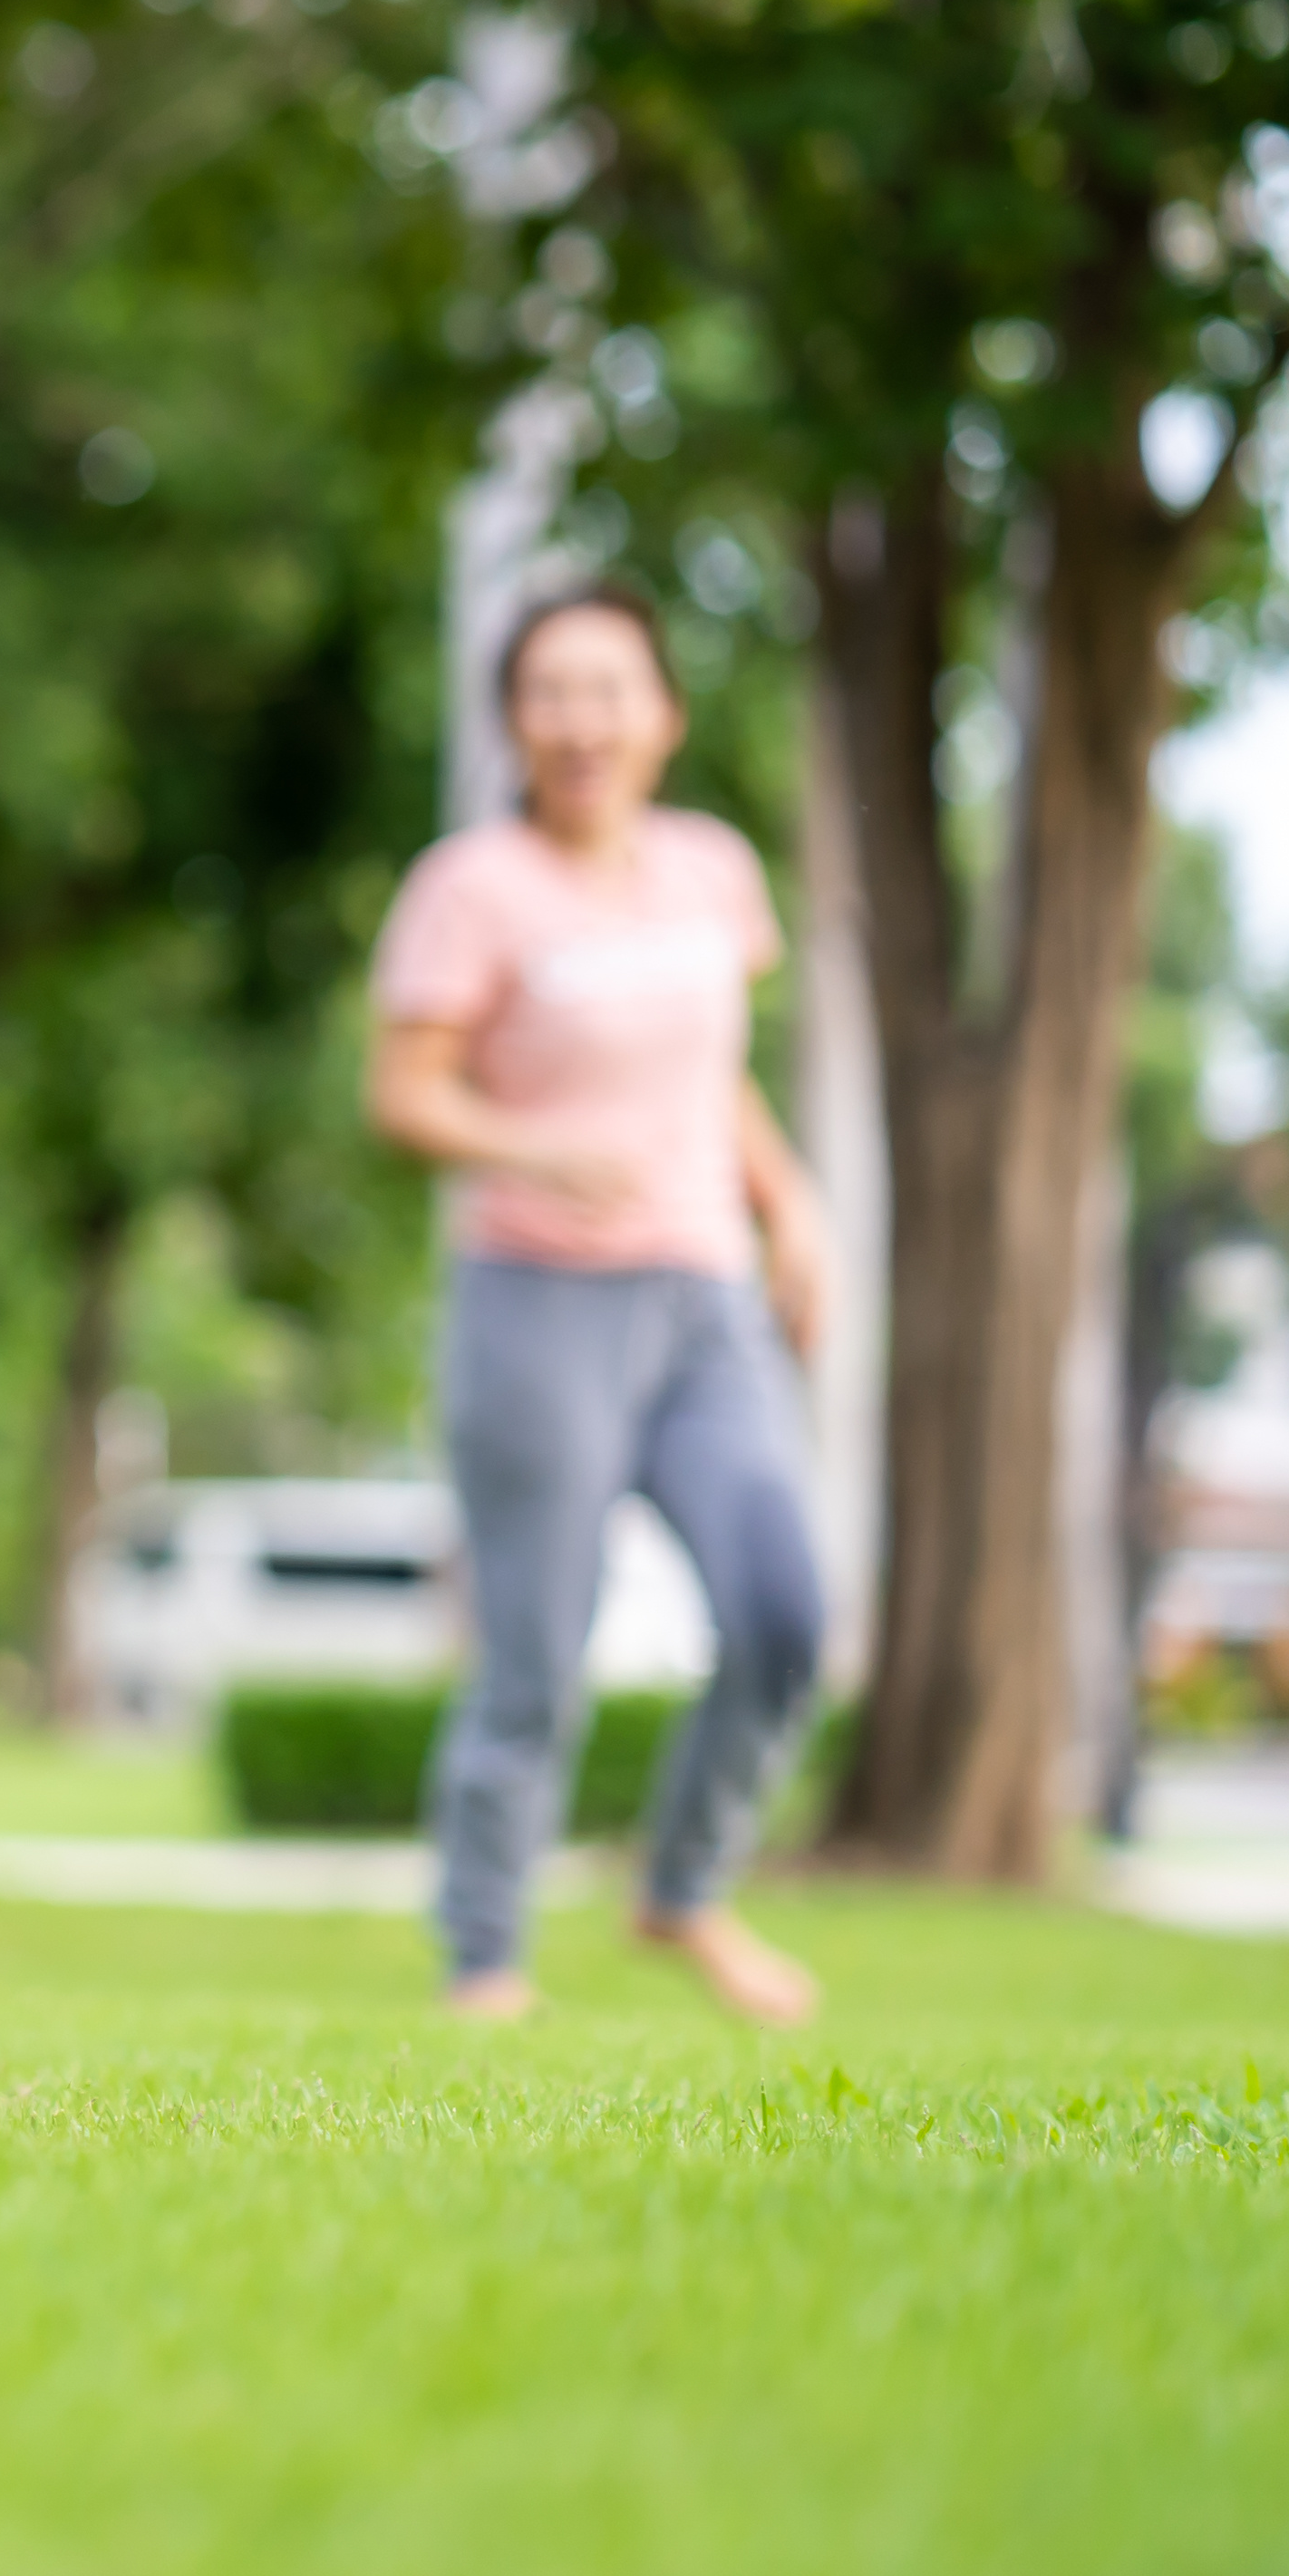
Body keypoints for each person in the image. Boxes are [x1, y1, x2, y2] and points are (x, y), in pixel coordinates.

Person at [366, 586, 838, 2027]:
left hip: (702, 1299)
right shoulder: (472, 887)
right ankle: (485, 1957)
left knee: (782, 1610)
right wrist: (532, 1147)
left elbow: (715, 1077)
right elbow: (404, 1091)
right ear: (517, 721)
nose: (582, 720)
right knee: (536, 1655)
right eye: (551, 692)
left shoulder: (711, 874)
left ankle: (683, 1889)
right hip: (537, 1300)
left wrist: (790, 1202)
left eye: (610, 689)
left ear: (663, 717)